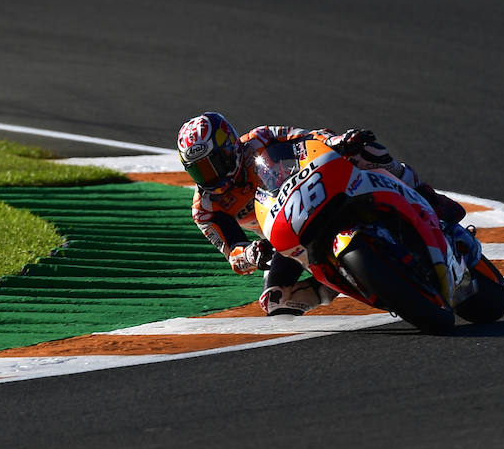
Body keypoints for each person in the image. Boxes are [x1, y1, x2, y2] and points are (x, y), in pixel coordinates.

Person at [177, 112, 479, 316]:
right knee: (275, 302)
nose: (209, 176)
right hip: (285, 235)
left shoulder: (261, 138)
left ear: (228, 147)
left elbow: (310, 137)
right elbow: (232, 253)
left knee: (364, 149)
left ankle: (429, 199)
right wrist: (251, 254)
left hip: (316, 187)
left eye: (211, 163)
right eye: (198, 170)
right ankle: (365, 284)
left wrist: (337, 142)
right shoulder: (205, 208)